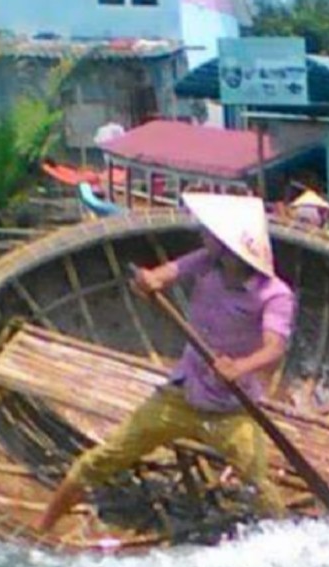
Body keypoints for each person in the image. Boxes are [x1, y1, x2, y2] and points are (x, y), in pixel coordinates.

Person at [37, 193, 295, 532]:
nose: (203, 235)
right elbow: (162, 276)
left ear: (231, 245)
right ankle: (43, 528)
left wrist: (239, 368)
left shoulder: (275, 294)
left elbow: (273, 348)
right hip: (183, 393)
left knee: (259, 483)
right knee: (103, 459)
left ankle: (285, 539)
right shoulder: (206, 261)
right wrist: (148, 281)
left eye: (210, 232)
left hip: (233, 407)